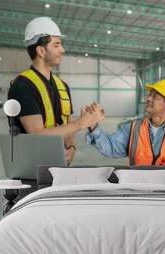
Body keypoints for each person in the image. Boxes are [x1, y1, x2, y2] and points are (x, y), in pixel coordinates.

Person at [8, 17, 103, 165]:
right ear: (41, 50)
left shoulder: (62, 86)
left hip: (59, 167)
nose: (62, 50)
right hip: (30, 169)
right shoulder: (22, 86)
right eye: (57, 45)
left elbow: (66, 126)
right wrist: (80, 123)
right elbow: (36, 134)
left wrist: (71, 147)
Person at [85, 79, 165, 166]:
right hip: (138, 192)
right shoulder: (133, 128)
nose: (148, 99)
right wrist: (93, 126)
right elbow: (110, 147)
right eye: (149, 95)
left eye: (155, 97)